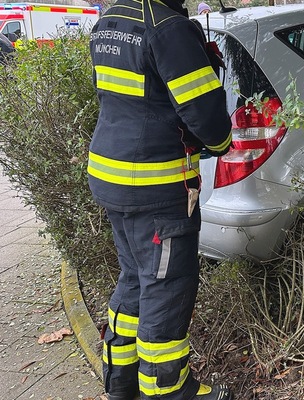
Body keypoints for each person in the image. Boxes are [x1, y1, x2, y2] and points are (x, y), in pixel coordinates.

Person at [87, 0, 233, 398]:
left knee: (134, 277)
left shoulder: (110, 21)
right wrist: (221, 142)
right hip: (155, 187)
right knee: (166, 287)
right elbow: (204, 110)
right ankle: (168, 389)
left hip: (111, 177)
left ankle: (121, 381)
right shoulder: (167, 27)